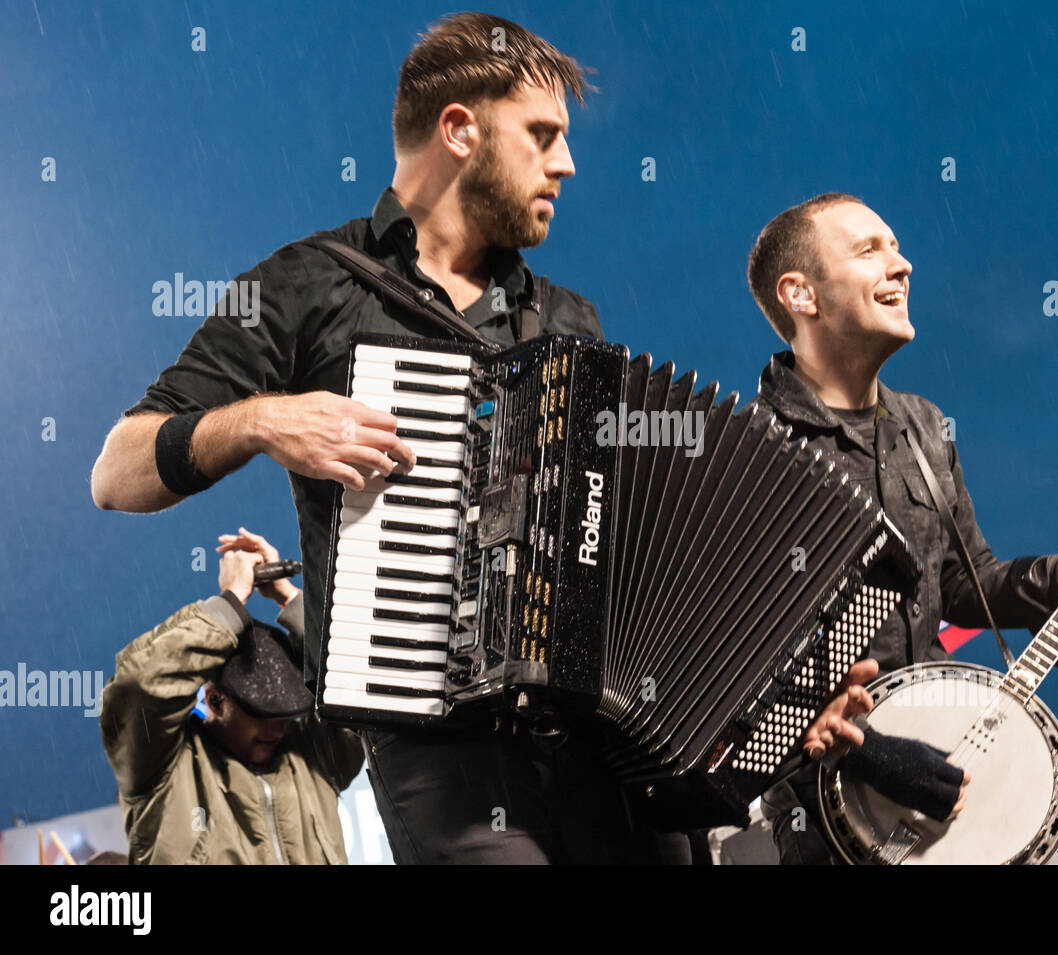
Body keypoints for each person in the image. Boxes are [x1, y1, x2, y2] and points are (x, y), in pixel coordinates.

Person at [89, 13, 695, 864]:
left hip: (604, 746)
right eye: (544, 135)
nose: (565, 164)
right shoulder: (306, 285)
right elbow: (117, 470)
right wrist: (265, 420)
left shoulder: (566, 321)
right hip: (441, 758)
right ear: (459, 129)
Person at [747, 193, 1058, 864]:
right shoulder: (752, 453)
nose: (903, 266)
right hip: (825, 783)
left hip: (949, 734)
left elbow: (967, 585)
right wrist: (864, 749)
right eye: (870, 250)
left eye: (897, 246)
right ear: (800, 294)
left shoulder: (925, 429)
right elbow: (735, 664)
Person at [100, 529, 364, 864]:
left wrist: (290, 598)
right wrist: (230, 602)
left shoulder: (316, 759)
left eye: (286, 712)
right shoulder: (160, 768)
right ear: (213, 701)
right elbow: (139, 686)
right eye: (261, 712)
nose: (279, 727)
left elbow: (354, 691)